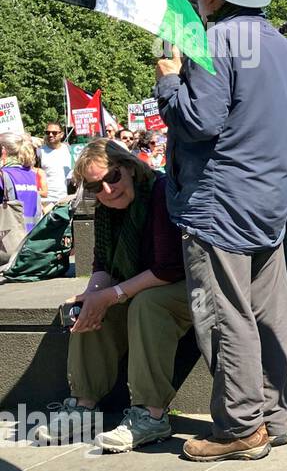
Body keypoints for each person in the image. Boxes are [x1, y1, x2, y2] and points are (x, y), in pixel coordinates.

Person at [155, 0, 287, 462]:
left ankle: (240, 425)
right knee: (266, 310)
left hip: (219, 201)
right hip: (268, 198)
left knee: (223, 312)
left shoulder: (211, 41)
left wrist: (168, 78)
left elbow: (200, 122)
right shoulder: (277, 43)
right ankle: (272, 417)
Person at [37, 139, 192, 452]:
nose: (107, 191)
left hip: (186, 285)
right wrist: (92, 294)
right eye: (95, 187)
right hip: (142, 281)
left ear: (129, 169)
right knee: (87, 305)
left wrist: (114, 294)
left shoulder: (159, 192)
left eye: (112, 177)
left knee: (148, 304)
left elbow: (168, 267)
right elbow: (102, 265)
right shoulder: (106, 211)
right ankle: (83, 406)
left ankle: (151, 414)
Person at [0, 133, 41, 234]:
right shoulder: (31, 174)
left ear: (3, 151)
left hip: (7, 242)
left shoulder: (3, 175)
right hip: (29, 238)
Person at [38, 122, 73, 209]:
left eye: (54, 132)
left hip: (65, 199)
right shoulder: (39, 152)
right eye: (47, 132)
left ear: (61, 134)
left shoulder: (69, 150)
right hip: (45, 201)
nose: (50, 135)